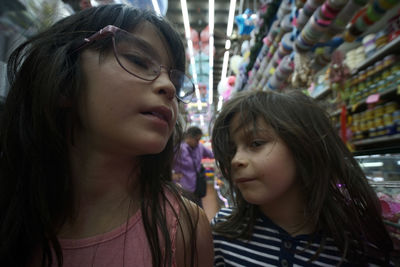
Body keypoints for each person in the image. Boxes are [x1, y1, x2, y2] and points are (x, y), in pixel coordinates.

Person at [0, 4, 214, 267]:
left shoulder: (183, 226)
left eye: (175, 79)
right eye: (137, 60)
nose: (168, 86)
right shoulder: (13, 211)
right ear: (64, 77)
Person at [211, 90, 394, 266]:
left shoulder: (359, 246)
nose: (236, 160)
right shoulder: (222, 231)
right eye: (231, 150)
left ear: (304, 147)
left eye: (256, 143)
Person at [173, 126, 214, 206]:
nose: (198, 142)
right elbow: (167, 163)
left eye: (199, 140)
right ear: (189, 137)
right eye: (196, 140)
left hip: (197, 185)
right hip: (183, 187)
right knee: (185, 210)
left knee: (198, 209)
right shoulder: (179, 149)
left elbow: (211, 154)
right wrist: (172, 175)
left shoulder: (200, 147)